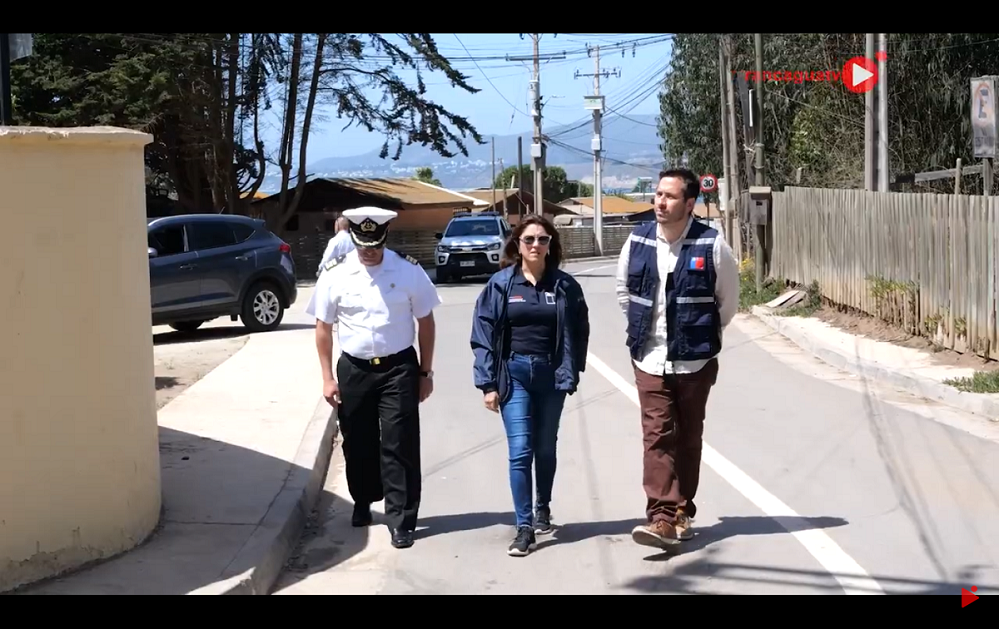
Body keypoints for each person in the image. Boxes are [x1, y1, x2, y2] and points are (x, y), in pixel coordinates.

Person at [615, 168, 739, 552]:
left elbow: (727, 304)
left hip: (694, 362)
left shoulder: (712, 245)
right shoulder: (637, 241)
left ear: (689, 203)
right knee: (657, 436)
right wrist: (641, 329)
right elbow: (624, 291)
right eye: (657, 194)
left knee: (688, 437)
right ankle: (662, 518)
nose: (660, 202)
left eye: (669, 196)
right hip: (648, 358)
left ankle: (683, 511)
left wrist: (696, 335)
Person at [313, 206, 441, 549]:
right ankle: (363, 499)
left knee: (399, 442)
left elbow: (426, 322)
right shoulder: (335, 273)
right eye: (363, 243)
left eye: (375, 243)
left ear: (385, 237)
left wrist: (425, 372)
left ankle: (401, 519)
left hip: (399, 367)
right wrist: (327, 377)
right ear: (353, 238)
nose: (369, 251)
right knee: (358, 440)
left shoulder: (407, 270)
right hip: (354, 368)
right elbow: (323, 327)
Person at [470, 214, 590, 557]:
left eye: (543, 240)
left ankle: (543, 507)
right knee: (520, 450)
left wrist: (572, 369)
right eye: (530, 240)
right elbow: (483, 334)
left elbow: (580, 330)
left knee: (545, 448)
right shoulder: (501, 285)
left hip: (551, 376)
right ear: (517, 245)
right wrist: (487, 383)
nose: (536, 245)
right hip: (515, 375)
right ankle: (524, 527)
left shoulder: (565, 286)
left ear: (551, 245)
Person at [305, 216, 355, 318]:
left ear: (338, 226)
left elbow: (327, 257)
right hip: (352, 273)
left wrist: (320, 269)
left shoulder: (335, 241)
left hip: (336, 274)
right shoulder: (354, 241)